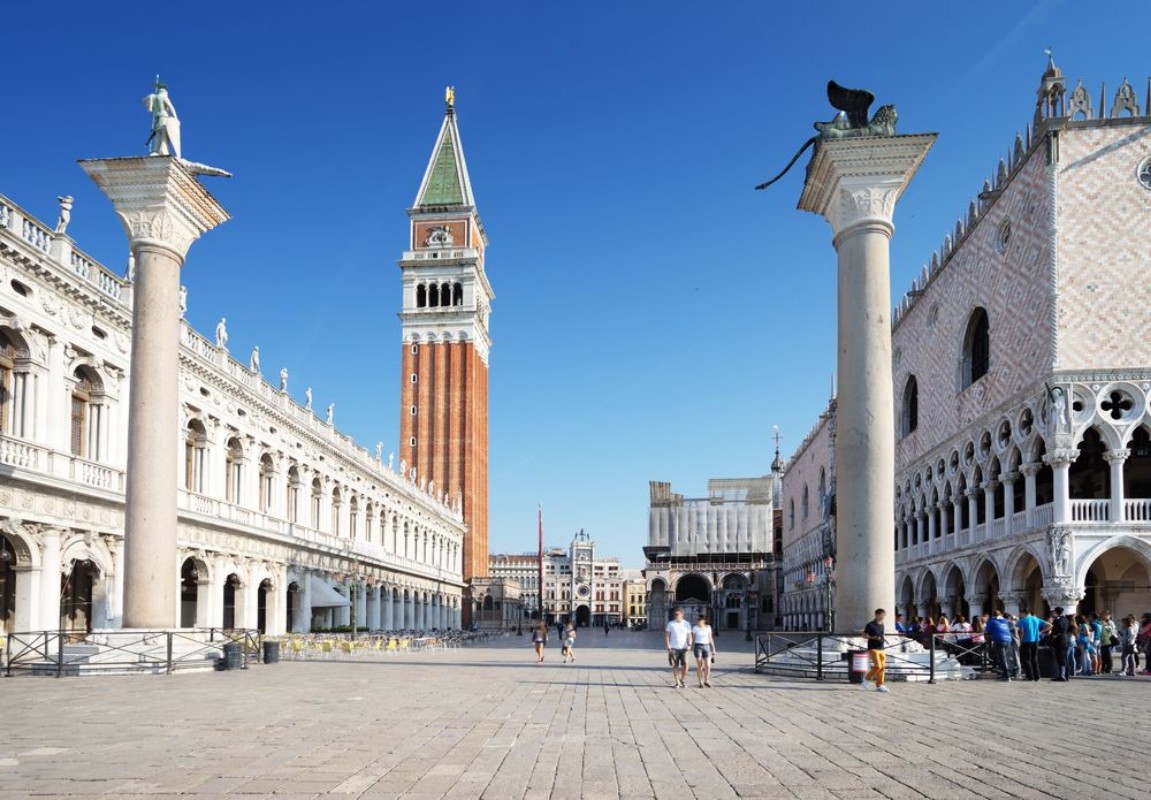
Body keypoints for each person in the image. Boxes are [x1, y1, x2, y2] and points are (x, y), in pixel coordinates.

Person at [1016, 608, 1050, 682]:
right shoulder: (1036, 619)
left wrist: (1020, 641)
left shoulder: (1022, 620)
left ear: (1023, 613)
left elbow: (1022, 631)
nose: (1020, 614)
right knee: (1034, 659)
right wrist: (1041, 632)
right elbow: (1049, 625)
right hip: (1036, 640)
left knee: (1026, 659)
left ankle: (1029, 676)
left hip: (1026, 641)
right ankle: (1037, 676)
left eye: (1020, 613)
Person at [861, 608, 889, 693]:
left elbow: (881, 634)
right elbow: (864, 635)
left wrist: (883, 639)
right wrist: (873, 637)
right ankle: (866, 679)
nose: (883, 617)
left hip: (881, 647)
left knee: (882, 667)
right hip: (873, 648)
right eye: (881, 615)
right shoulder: (870, 625)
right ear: (877, 615)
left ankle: (880, 685)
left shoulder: (882, 624)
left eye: (884, 615)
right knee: (878, 666)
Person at [665, 608, 693, 689]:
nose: (675, 616)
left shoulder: (687, 624)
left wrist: (689, 645)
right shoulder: (671, 624)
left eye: (677, 614)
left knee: (686, 665)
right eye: (675, 614)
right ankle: (677, 682)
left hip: (684, 648)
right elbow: (667, 635)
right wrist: (668, 645)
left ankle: (682, 679)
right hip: (674, 648)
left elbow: (690, 636)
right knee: (675, 665)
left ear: (682, 615)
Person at [984, 609, 1013, 680]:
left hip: (999, 639)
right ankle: (1006, 673)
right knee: (1005, 657)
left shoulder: (992, 621)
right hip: (1008, 639)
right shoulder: (1005, 620)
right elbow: (1011, 625)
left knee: (1002, 658)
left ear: (993, 615)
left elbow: (988, 631)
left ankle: (1006, 675)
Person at [691, 614, 716, 688]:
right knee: (700, 664)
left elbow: (710, 638)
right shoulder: (695, 628)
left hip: (706, 646)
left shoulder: (708, 627)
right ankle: (700, 682)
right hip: (698, 646)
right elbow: (693, 638)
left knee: (708, 665)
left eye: (699, 620)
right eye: (697, 620)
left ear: (704, 620)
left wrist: (713, 648)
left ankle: (706, 680)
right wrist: (691, 647)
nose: (698, 621)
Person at [1049, 607, 1071, 681]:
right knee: (1064, 657)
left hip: (1059, 640)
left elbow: (1056, 630)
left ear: (1056, 612)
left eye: (1053, 612)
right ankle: (1065, 675)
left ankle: (1062, 676)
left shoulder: (1058, 620)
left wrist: (1055, 635)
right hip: (1065, 638)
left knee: (1061, 658)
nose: (1052, 613)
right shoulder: (1065, 619)